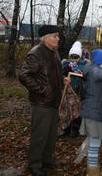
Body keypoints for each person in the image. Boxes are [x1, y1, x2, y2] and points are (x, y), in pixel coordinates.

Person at [18, 25, 68, 176]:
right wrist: (43, 90)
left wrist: (62, 79)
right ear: (45, 38)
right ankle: (34, 164)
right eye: (55, 36)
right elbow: (24, 75)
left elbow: (52, 73)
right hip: (42, 102)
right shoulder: (36, 53)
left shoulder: (54, 52)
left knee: (51, 133)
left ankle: (46, 158)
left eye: (57, 36)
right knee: (40, 133)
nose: (58, 38)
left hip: (54, 100)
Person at [61, 41, 89, 137]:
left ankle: (75, 129)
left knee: (77, 109)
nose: (74, 59)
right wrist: (67, 69)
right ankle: (66, 128)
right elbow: (61, 74)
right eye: (72, 57)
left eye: (76, 57)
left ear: (80, 56)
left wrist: (79, 71)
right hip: (68, 89)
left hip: (79, 90)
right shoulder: (66, 63)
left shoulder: (85, 64)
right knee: (67, 109)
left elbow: (86, 76)